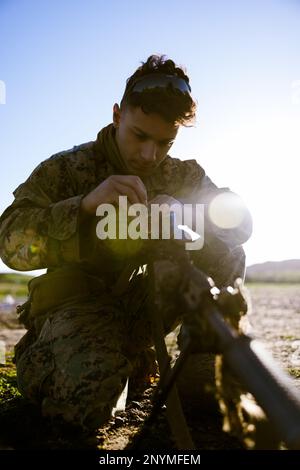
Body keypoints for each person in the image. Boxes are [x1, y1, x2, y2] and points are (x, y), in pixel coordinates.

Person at [0, 55, 252, 434]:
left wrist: (189, 212)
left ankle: (199, 360)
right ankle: (47, 360)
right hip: (78, 306)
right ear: (117, 115)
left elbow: (241, 222)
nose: (150, 155)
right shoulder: (68, 169)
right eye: (139, 136)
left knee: (226, 250)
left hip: (144, 303)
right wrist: (83, 209)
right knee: (83, 407)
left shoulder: (179, 174)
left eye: (165, 142)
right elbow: (9, 240)